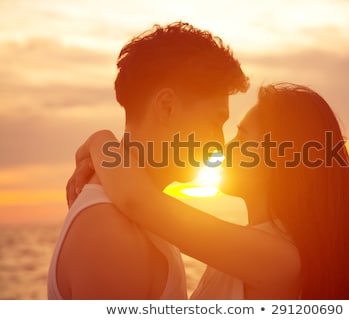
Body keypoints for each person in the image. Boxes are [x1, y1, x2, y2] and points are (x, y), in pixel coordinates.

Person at [70, 83, 349, 299]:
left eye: (241, 139)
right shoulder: (265, 248)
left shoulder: (277, 257)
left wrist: (101, 141)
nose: (224, 149)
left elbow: (138, 201)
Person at [47, 21, 249, 299]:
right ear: (167, 107)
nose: (219, 143)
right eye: (216, 121)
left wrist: (99, 140)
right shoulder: (111, 234)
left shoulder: (141, 213)